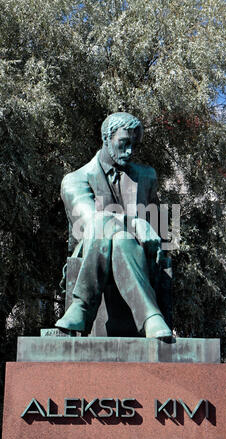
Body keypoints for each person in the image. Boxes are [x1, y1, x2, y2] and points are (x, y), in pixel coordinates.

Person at [55, 112, 172, 340]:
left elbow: (159, 228)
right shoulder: (74, 180)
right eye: (124, 144)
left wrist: (151, 227)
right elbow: (89, 222)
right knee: (104, 226)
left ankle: (81, 306)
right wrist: (136, 222)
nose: (130, 152)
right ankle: (150, 317)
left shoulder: (147, 177)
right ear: (106, 138)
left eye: (134, 146)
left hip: (140, 257)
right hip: (92, 251)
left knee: (121, 240)